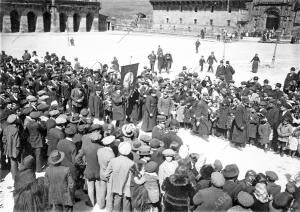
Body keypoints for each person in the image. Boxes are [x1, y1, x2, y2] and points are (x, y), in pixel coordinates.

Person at [103, 142, 134, 212]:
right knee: (126, 205)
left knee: (116, 204)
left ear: (119, 150)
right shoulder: (131, 163)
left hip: (116, 187)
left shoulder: (113, 161)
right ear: (128, 152)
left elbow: (106, 174)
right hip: (126, 189)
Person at [2, 114, 21, 180]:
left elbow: (3, 139)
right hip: (15, 149)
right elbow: (18, 142)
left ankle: (14, 176)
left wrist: (7, 144)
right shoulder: (16, 129)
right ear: (15, 121)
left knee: (12, 162)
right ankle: (17, 176)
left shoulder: (6, 128)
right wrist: (18, 148)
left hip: (9, 149)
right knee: (17, 162)